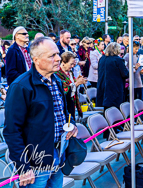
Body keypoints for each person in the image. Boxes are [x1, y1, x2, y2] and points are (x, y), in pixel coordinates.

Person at [4, 37, 78, 187]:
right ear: (36, 60)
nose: (58, 58)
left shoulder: (56, 80)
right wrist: (23, 166)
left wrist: (72, 125)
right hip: (35, 162)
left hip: (58, 152)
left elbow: (63, 112)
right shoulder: (21, 86)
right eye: (52, 55)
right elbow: (12, 131)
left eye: (57, 54)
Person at [55, 51, 87, 120]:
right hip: (65, 106)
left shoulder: (70, 72)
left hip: (72, 104)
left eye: (74, 64)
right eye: (71, 64)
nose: (73, 66)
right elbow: (64, 91)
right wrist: (76, 83)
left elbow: (73, 89)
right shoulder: (57, 74)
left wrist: (78, 81)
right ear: (63, 63)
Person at [97, 42, 129, 109]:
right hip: (114, 88)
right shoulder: (118, 60)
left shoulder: (102, 59)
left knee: (105, 110)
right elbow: (125, 74)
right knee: (115, 110)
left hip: (103, 87)